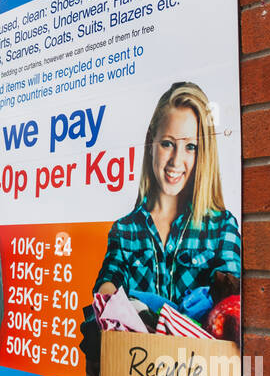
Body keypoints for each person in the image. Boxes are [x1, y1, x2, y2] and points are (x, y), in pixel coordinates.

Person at [93, 81, 241, 310]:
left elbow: (230, 305)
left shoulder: (222, 228)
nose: (175, 161)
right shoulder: (124, 231)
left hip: (195, 348)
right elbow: (107, 284)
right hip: (136, 348)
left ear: (204, 154)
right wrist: (107, 299)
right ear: (151, 142)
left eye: (191, 147)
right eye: (168, 144)